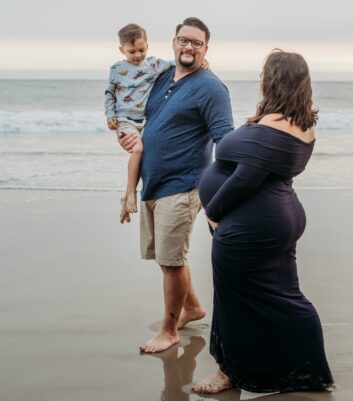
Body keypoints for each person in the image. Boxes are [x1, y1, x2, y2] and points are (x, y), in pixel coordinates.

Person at [193, 49, 334, 394]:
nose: (260, 78)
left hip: (250, 231)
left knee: (232, 299)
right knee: (285, 296)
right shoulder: (302, 123)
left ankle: (227, 372)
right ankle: (310, 369)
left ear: (274, 80)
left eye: (264, 74)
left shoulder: (271, 130)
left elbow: (244, 180)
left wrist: (213, 212)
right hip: (279, 220)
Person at [117, 17, 234, 353]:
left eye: (196, 43)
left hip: (184, 185)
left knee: (171, 260)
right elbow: (136, 109)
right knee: (168, 257)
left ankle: (169, 330)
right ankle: (192, 308)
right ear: (173, 42)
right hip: (153, 182)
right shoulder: (163, 75)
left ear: (205, 49)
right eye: (184, 40)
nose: (189, 47)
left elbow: (224, 141)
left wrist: (222, 197)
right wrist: (124, 135)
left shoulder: (211, 88)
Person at [105, 23, 175, 222]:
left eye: (141, 50)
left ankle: (126, 198)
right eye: (132, 51)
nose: (137, 55)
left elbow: (177, 63)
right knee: (137, 149)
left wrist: (203, 61)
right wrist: (110, 115)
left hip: (145, 121)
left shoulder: (153, 64)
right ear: (122, 50)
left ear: (148, 46)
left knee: (147, 155)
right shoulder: (117, 69)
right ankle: (131, 192)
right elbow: (109, 94)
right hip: (124, 120)